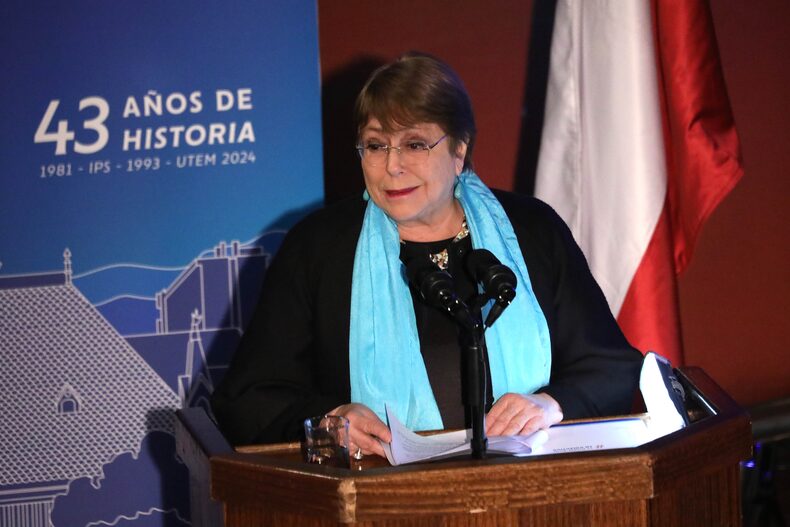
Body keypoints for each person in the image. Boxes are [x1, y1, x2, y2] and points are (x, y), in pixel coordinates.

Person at [210, 52, 643, 459]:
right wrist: (331, 419)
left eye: (415, 144)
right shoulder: (318, 248)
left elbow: (612, 369)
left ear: (459, 150)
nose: (392, 166)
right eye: (375, 145)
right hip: (375, 494)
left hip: (533, 488)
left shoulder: (532, 230)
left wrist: (550, 404)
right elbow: (246, 400)